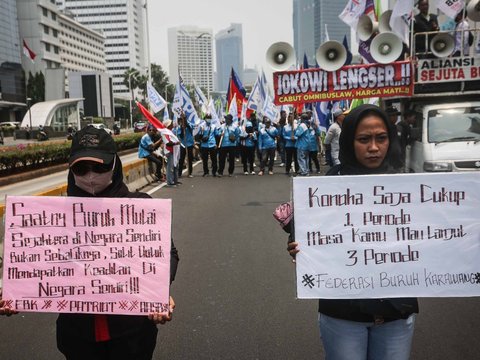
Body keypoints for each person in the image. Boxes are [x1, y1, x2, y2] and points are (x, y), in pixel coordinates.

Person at [2, 125, 180, 360]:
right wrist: (15, 293)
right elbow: (37, 264)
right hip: (77, 337)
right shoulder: (52, 217)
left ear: (114, 164)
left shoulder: (141, 206)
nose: (91, 175)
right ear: (71, 169)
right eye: (82, 168)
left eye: (99, 166)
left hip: (133, 334)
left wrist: (157, 289)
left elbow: (169, 253)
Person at [287, 104, 417, 360]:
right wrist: (296, 246)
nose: (373, 147)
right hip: (343, 312)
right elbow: (306, 236)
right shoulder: (327, 187)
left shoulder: (411, 186)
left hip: (396, 311)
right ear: (349, 141)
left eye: (381, 138)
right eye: (363, 139)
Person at [175, 113, 194, 178]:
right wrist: (182, 129)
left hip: (189, 144)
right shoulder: (179, 127)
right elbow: (181, 135)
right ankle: (179, 173)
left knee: (190, 159)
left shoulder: (190, 125)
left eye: (184, 119)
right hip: (183, 145)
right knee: (181, 159)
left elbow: (191, 128)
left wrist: (186, 124)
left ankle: (190, 172)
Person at [162, 119, 180, 187]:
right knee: (170, 167)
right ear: (168, 125)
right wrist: (176, 143)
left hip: (174, 152)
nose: (172, 124)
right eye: (171, 123)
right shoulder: (165, 133)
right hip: (169, 152)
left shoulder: (170, 132)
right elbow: (168, 143)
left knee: (175, 166)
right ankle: (169, 182)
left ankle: (175, 180)